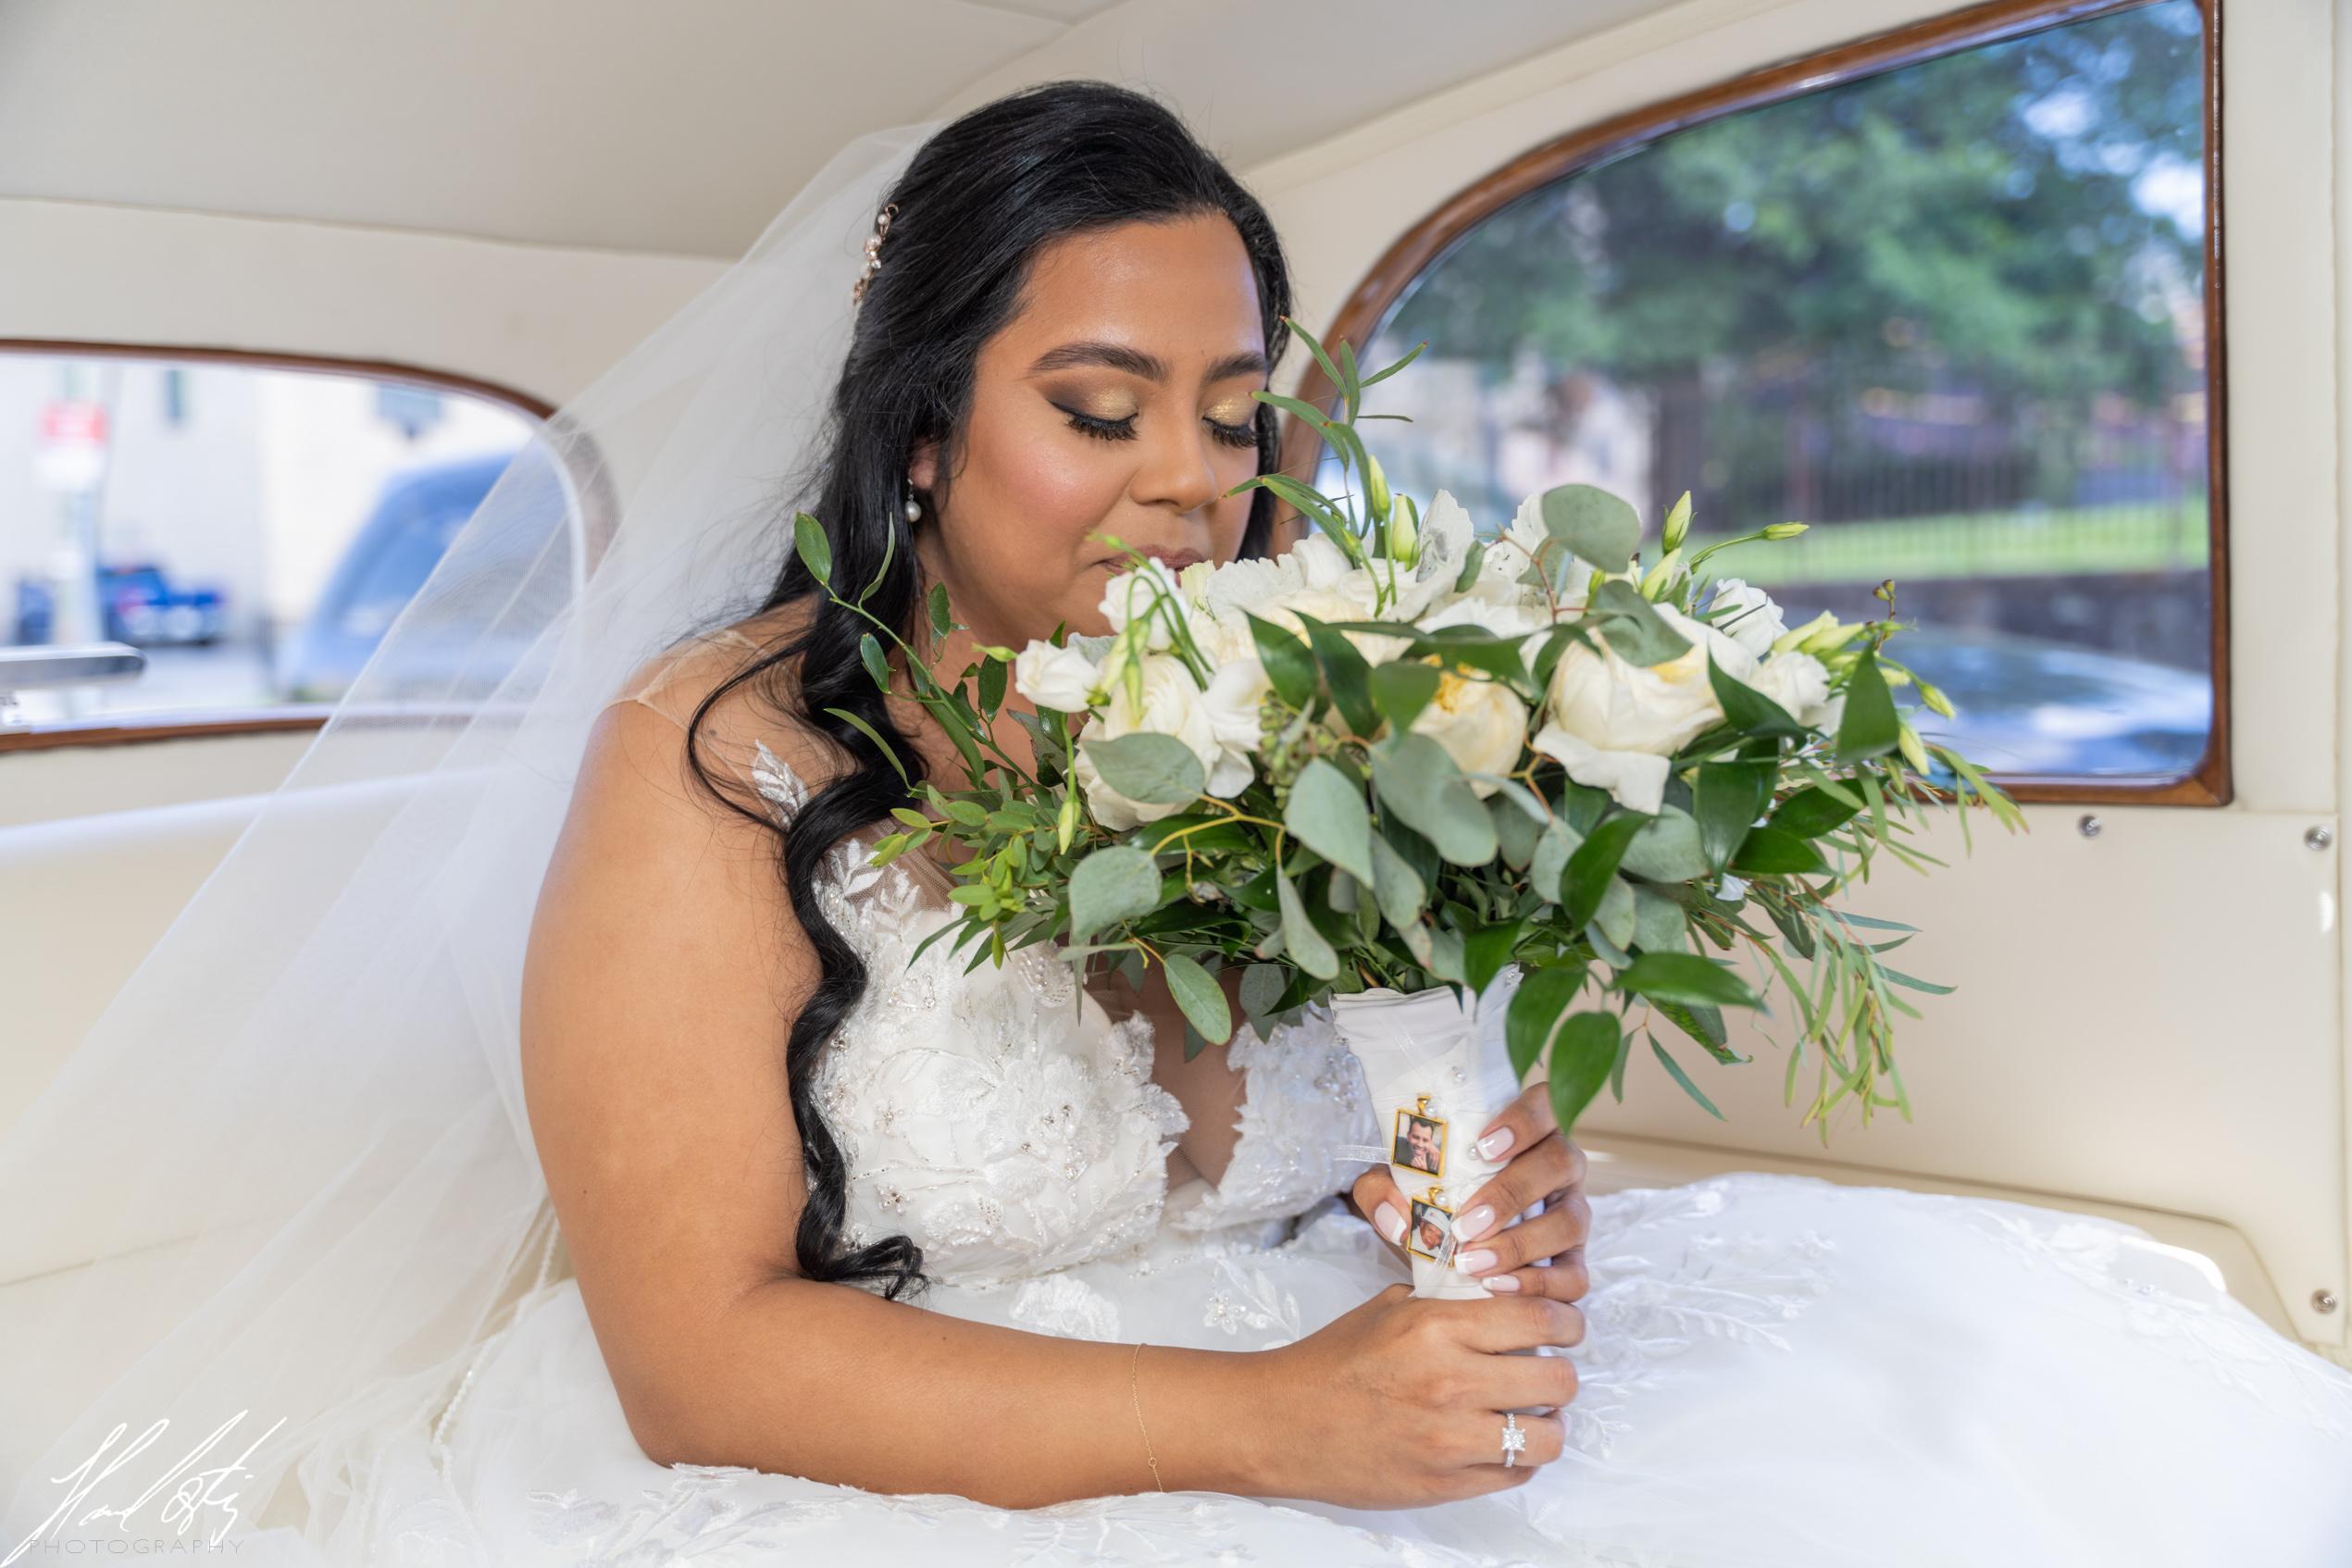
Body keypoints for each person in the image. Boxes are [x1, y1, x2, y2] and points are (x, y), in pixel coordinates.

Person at [6, 81, 2350, 1568]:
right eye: (1097, 405)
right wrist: (1275, 1426)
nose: (1187, 484)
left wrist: (1476, 1165)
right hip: (928, 1471)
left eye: (1229, 414)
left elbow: (1372, 1095)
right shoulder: (714, 760)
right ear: (924, 427)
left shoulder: (1294, 693)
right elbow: (695, 1354)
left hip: (1354, 1375)